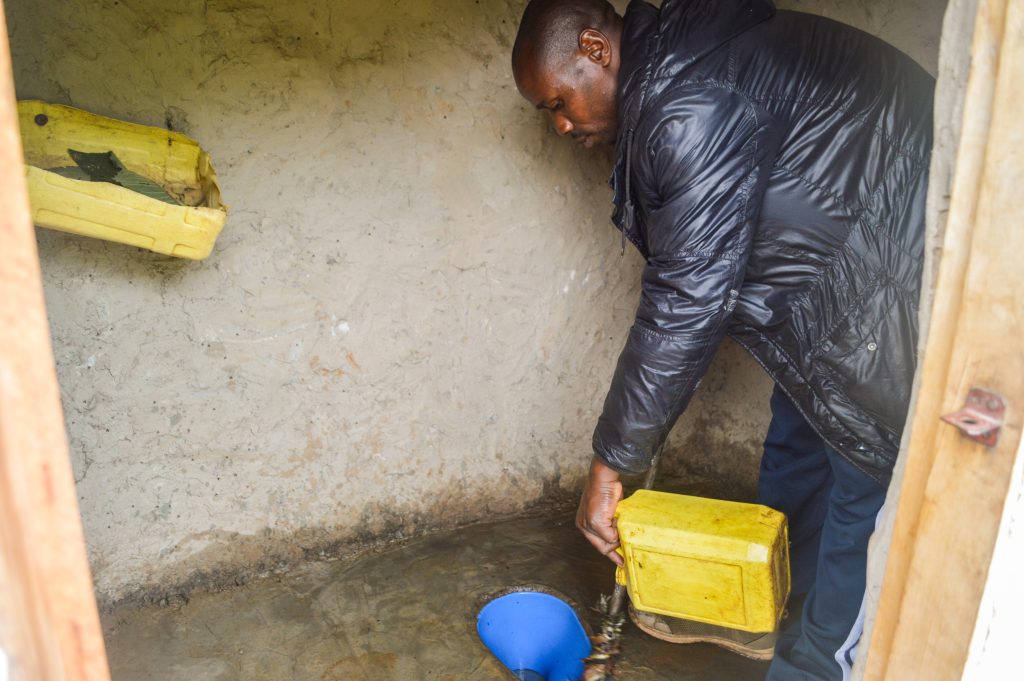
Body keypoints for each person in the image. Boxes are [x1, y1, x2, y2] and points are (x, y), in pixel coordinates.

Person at [511, 0, 933, 679]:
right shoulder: (677, 70)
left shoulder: (687, 103)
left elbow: (689, 295)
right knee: (798, 448)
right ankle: (768, 607)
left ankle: (815, 662)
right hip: (833, 287)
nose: (561, 124)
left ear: (595, 48)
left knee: (862, 480)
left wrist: (610, 465)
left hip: (891, 278)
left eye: (557, 102)